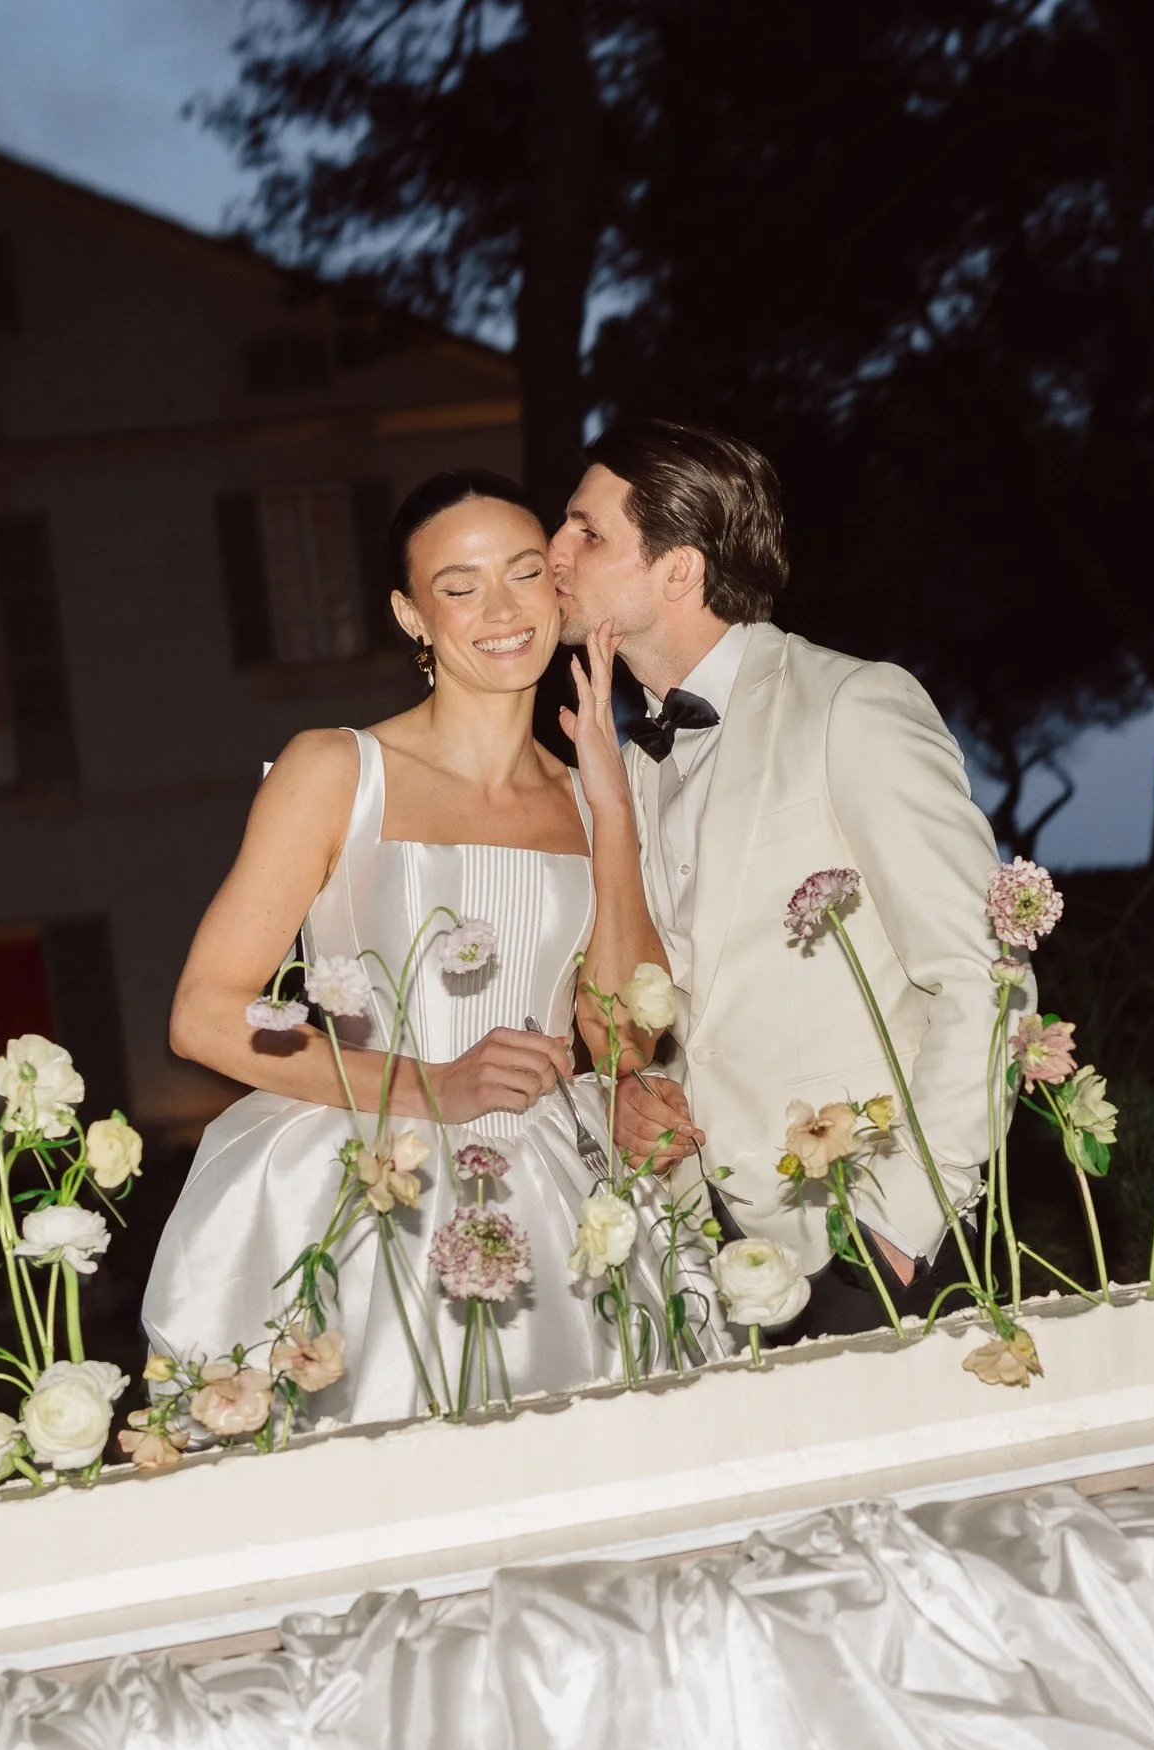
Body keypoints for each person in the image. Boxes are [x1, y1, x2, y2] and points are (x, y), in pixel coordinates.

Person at [142, 469, 724, 1421]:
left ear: (559, 590)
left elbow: (621, 1042)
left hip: (548, 1183)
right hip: (369, 1184)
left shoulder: (592, 794)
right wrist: (431, 1085)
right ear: (413, 617)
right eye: (460, 587)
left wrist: (611, 812)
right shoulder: (336, 768)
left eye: (526, 573)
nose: (501, 609)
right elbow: (204, 1016)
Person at [551, 420, 1031, 1338]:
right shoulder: (623, 767)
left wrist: (901, 1223)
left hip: (869, 1245)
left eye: (588, 531)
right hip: (700, 1258)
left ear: (680, 571)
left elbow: (987, 975)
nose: (554, 551)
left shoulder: (851, 704)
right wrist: (637, 1092)